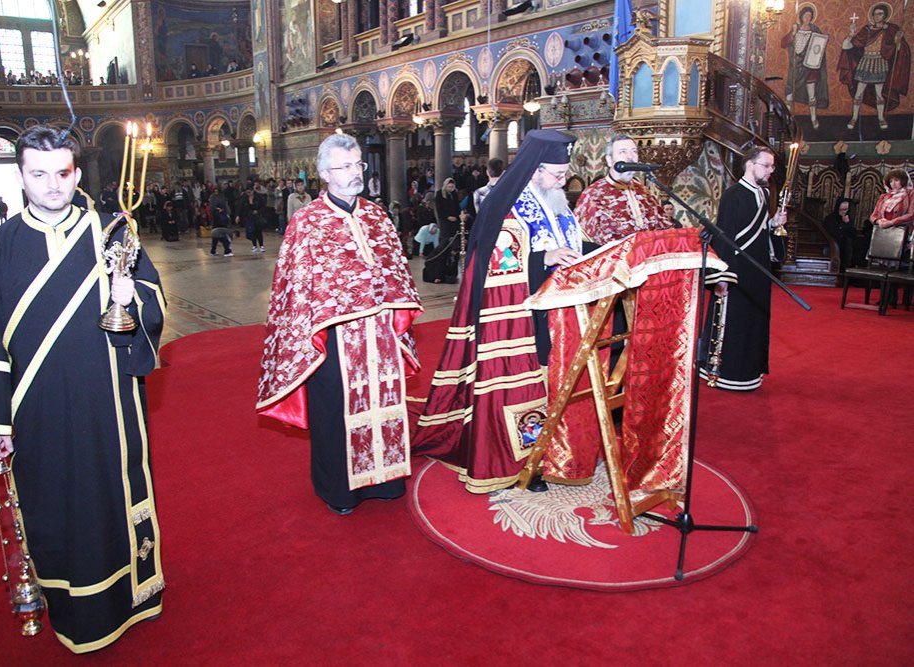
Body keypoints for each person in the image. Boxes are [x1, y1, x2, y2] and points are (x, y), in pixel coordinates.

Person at [0, 126, 165, 652]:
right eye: (38, 174)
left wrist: (130, 299)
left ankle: (131, 597)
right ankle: (73, 607)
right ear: (20, 176)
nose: (52, 185)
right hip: (37, 406)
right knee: (55, 502)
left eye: (62, 173)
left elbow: (152, 307)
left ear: (77, 173)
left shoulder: (112, 233)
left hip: (107, 398)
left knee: (110, 495)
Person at [256, 133, 422, 515]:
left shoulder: (377, 216)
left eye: (358, 163)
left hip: (379, 333)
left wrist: (385, 294)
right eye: (345, 166)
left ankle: (385, 481)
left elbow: (396, 268)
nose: (355, 172)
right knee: (334, 408)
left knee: (384, 400)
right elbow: (294, 288)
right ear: (325, 174)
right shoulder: (307, 222)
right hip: (331, 337)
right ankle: (338, 491)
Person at [412, 129, 584, 494]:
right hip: (516, 314)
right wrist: (544, 258)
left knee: (553, 381)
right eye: (558, 174)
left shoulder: (556, 201)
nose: (563, 180)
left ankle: (550, 451)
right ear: (536, 170)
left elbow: (570, 243)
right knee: (524, 387)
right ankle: (521, 460)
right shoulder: (507, 205)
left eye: (565, 173)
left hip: (556, 308)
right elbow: (495, 263)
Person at [699, 146, 786, 392]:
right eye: (766, 165)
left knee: (754, 321)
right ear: (750, 165)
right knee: (733, 322)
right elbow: (725, 237)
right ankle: (725, 372)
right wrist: (722, 276)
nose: (771, 170)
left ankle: (748, 372)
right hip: (736, 271)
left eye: (772, 166)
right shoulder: (733, 195)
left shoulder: (764, 193)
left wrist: (773, 224)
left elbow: (758, 232)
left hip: (758, 270)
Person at [574, 134, 671, 245]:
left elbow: (664, 229)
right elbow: (586, 242)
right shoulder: (593, 195)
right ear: (609, 160)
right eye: (623, 152)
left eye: (634, 151)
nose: (630, 157)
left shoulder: (644, 191)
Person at [838, 3, 910, 130]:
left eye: (880, 14)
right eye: (875, 14)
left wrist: (897, 41)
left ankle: (881, 118)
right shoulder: (867, 30)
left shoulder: (890, 30)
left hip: (880, 64)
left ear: (885, 15)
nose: (877, 16)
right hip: (865, 63)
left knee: (879, 94)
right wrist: (851, 33)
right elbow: (846, 46)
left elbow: (897, 50)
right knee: (858, 93)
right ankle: (854, 118)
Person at [781, 4, 829, 129]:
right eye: (806, 15)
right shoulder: (796, 28)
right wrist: (793, 33)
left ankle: (813, 118)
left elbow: (820, 45)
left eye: (810, 16)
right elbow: (784, 43)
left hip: (810, 66)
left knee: (811, 95)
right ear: (801, 16)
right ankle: (789, 119)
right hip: (796, 66)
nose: (808, 18)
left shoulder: (815, 30)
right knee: (790, 93)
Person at [823, 197, 856, 270]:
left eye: (846, 209)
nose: (844, 212)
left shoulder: (847, 218)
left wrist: (847, 224)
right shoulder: (830, 218)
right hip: (833, 244)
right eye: (842, 210)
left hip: (845, 247)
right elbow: (832, 233)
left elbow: (852, 234)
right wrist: (843, 226)